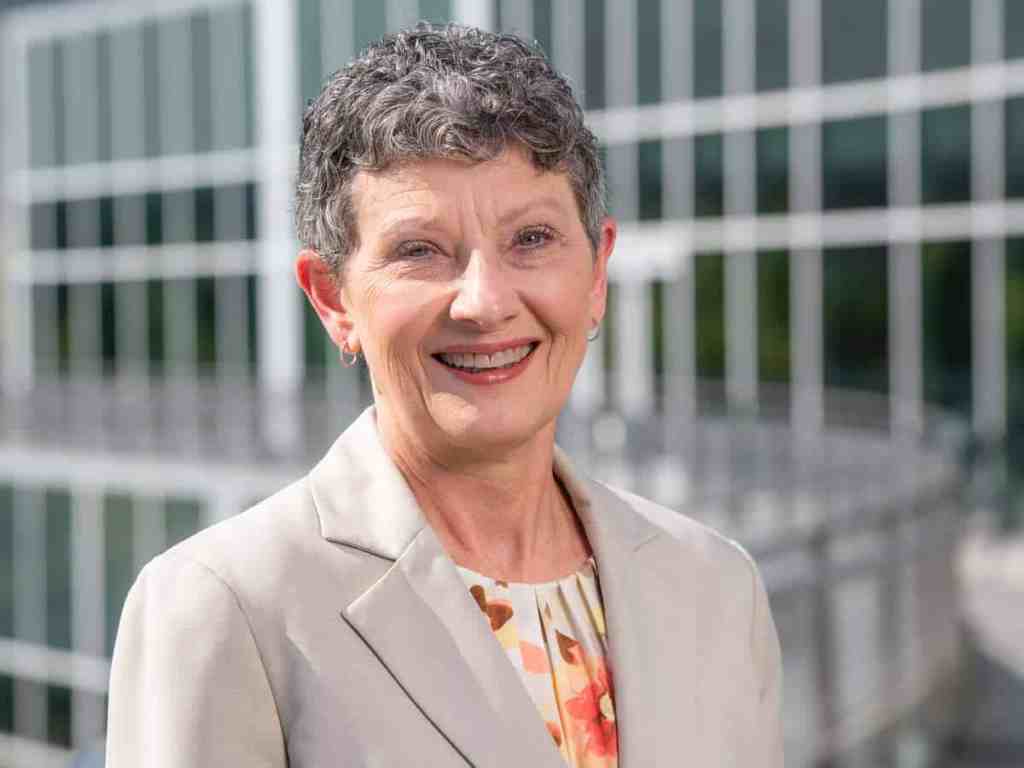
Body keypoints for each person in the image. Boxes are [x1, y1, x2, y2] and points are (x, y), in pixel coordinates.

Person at [105, 23, 782, 767]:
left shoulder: (718, 585)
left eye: (532, 239)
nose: (485, 302)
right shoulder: (225, 606)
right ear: (332, 299)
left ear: (596, 276)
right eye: (419, 250)